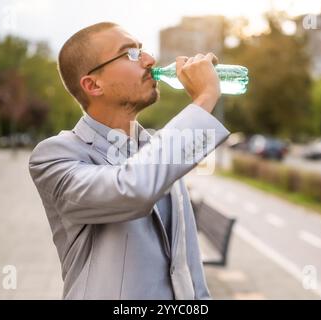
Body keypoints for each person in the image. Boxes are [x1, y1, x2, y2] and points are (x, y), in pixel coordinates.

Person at [28, 22, 230, 300]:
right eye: (130, 54)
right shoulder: (54, 157)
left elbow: (187, 265)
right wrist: (205, 99)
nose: (150, 60)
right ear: (92, 84)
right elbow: (131, 189)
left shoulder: (155, 148)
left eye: (142, 50)